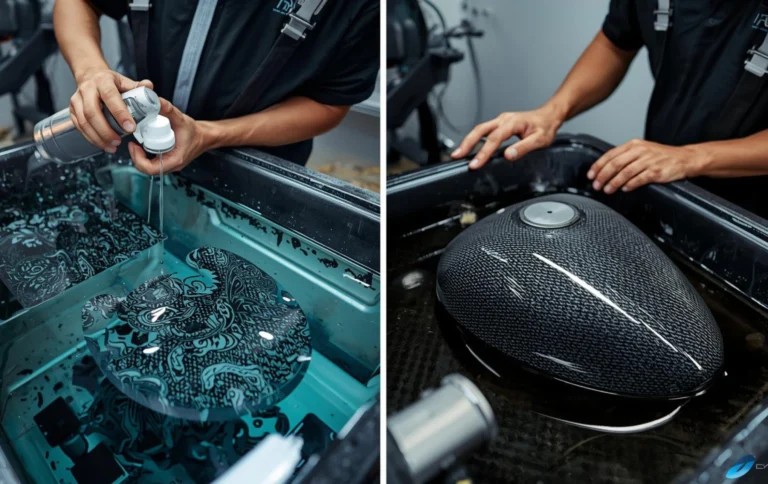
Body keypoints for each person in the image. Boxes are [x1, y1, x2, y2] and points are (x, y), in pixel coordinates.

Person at [451, 1, 768, 211]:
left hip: (750, 206)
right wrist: (552, 112)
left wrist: (691, 157)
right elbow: (616, 42)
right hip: (663, 179)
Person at [53, 0, 379, 175]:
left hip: (254, 171)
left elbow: (329, 102)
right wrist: (91, 72)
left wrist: (210, 134)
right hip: (133, 145)